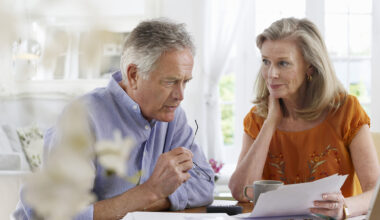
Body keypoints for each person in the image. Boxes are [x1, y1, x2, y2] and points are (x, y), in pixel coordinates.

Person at [14, 18, 214, 220]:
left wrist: (148, 202)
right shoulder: (82, 120)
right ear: (134, 75)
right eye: (170, 81)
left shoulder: (173, 116)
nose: (180, 95)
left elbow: (204, 185)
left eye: (185, 82)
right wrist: (149, 192)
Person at [228, 17, 380, 219]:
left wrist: (344, 208)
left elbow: (375, 191)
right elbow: (240, 192)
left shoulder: (346, 110)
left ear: (310, 66)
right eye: (266, 61)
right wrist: (271, 122)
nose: (271, 74)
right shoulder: (257, 119)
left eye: (283, 63)